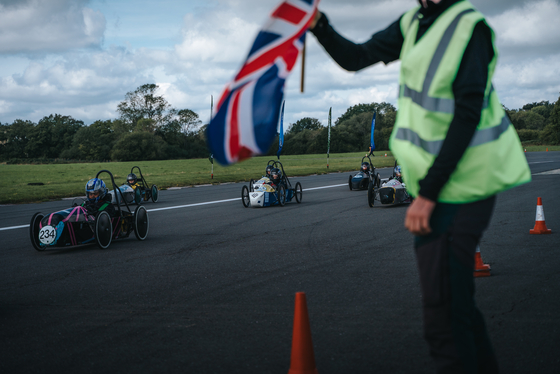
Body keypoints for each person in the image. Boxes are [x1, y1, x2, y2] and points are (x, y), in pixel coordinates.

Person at [310, 1, 531, 372]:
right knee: (456, 308)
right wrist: (319, 25)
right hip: (436, 183)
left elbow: (466, 113)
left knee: (443, 319)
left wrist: (427, 194)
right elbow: (356, 57)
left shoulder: (468, 28)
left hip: (468, 182)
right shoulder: (413, 22)